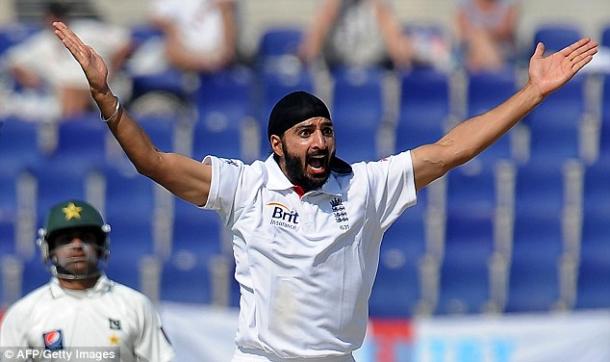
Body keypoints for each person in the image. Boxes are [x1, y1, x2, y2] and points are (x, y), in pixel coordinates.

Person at [52, 20, 597, 361]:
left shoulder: (364, 187)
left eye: (326, 130)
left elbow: (452, 148)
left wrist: (531, 94)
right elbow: (151, 162)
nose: (320, 141)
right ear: (277, 143)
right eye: (305, 132)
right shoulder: (245, 185)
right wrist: (105, 94)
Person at [0, 200, 174, 362]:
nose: (77, 246)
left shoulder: (135, 306)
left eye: (86, 238)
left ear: (101, 245)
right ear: (49, 250)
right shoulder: (23, 313)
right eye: (66, 239)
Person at [0, 1, 131, 121]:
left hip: (98, 86)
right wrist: (28, 77)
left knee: (72, 94)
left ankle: (70, 133)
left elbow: (126, 42)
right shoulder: (42, 42)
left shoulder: (89, 30)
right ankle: (70, 134)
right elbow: (12, 60)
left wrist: (113, 67)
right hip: (59, 93)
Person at [299, 0, 412, 70]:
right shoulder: (329, 5)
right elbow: (310, 48)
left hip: (375, 64)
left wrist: (402, 60)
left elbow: (399, 51)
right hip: (336, 63)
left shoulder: (380, 6)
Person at [456, 0, 520, 71]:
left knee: (480, 41)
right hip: (472, 50)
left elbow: (506, 31)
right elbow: (465, 32)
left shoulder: (509, 3)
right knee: (478, 42)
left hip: (502, 51)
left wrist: (483, 35)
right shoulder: (464, 3)